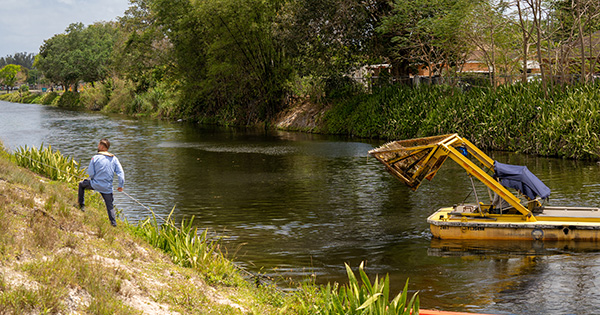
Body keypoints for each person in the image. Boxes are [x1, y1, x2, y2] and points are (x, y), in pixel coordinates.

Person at [78, 138, 125, 227]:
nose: (98, 146)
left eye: (99, 145)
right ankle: (113, 224)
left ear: (102, 147)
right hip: (107, 187)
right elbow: (121, 173)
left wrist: (93, 179)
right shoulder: (114, 159)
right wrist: (120, 185)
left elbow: (91, 173)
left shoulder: (95, 158)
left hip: (95, 184)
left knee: (81, 185)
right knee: (110, 206)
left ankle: (81, 206)